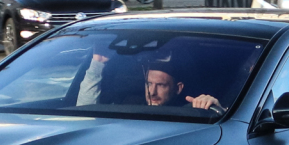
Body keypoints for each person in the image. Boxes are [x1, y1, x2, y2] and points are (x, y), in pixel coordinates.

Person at [77, 50, 222, 111]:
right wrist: (97, 64)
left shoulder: (190, 111)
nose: (152, 92)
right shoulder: (129, 106)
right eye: (149, 84)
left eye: (161, 85)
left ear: (178, 88)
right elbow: (83, 113)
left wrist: (213, 106)